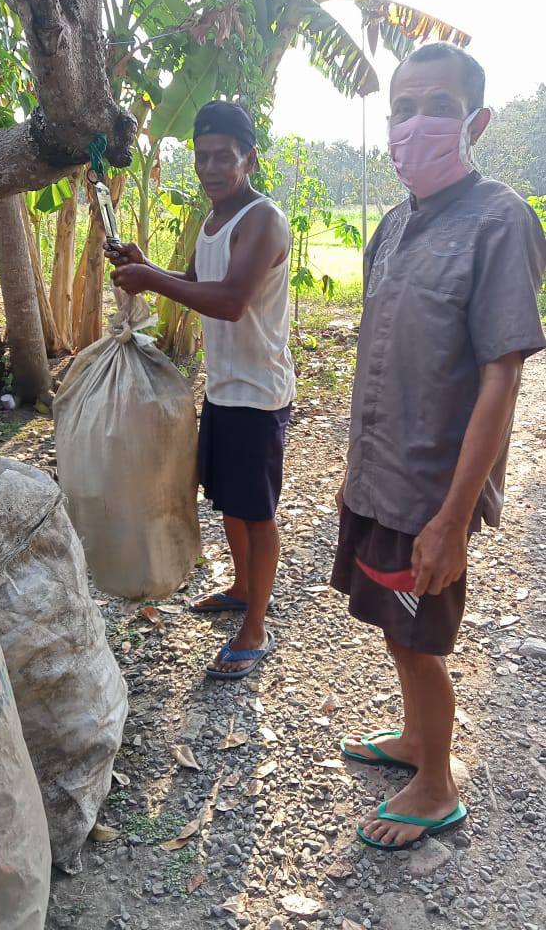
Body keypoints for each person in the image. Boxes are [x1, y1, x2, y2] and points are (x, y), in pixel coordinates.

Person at [331, 44, 546, 850]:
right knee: (394, 625)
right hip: (379, 478)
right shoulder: (391, 226)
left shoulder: (500, 219)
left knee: (420, 637)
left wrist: (453, 519)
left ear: (476, 123)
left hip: (432, 487)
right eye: (401, 107)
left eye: (437, 108)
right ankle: (419, 741)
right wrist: (352, 474)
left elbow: (500, 377)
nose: (413, 123)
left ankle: (435, 784)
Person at [105, 100, 295, 680]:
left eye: (224, 157)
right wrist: (148, 265)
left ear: (249, 160)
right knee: (231, 504)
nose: (211, 168)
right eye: (202, 157)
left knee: (256, 513)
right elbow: (195, 282)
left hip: (258, 394)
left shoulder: (261, 220)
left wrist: (148, 280)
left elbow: (230, 301)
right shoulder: (214, 220)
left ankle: (256, 627)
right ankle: (241, 587)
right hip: (224, 389)